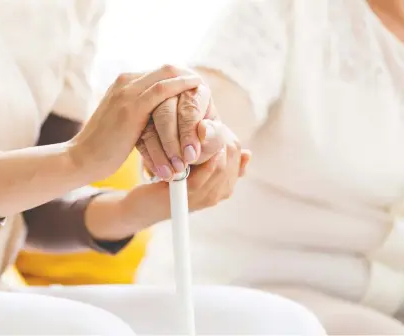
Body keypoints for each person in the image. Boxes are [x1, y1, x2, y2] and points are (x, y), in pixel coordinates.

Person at [0, 0, 325, 334]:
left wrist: (145, 204)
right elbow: (66, 161)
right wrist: (75, 160)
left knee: (276, 325)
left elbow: (36, 210)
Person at [136, 0, 404, 334]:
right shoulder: (288, 11)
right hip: (244, 287)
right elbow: (219, 101)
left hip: (382, 305)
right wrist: (198, 131)